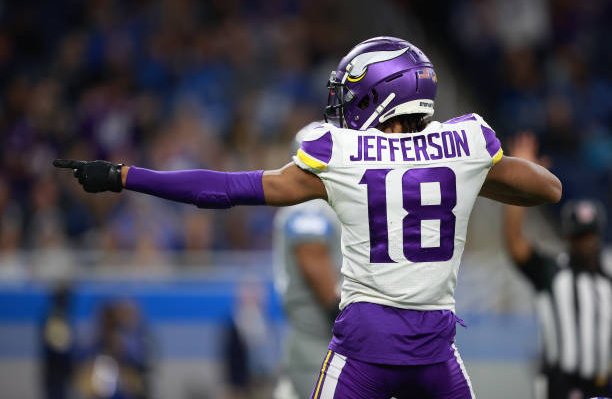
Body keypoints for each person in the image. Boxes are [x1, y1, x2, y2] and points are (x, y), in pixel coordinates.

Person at [54, 36, 562, 398]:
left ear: (384, 93)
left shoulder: (340, 154)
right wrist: (478, 173)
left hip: (364, 349)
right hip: (436, 353)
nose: (342, 105)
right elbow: (548, 189)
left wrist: (127, 175)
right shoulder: (465, 143)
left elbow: (227, 189)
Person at [503, 132, 611, 399]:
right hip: (561, 386)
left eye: (590, 236)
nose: (586, 244)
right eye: (579, 236)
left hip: (603, 384)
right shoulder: (552, 272)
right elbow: (515, 243)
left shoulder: (608, 277)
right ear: (568, 238)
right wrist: (520, 182)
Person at [273, 123, 342, 399]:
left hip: (317, 346)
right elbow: (318, 275)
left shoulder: (319, 206)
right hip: (317, 345)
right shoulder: (309, 207)